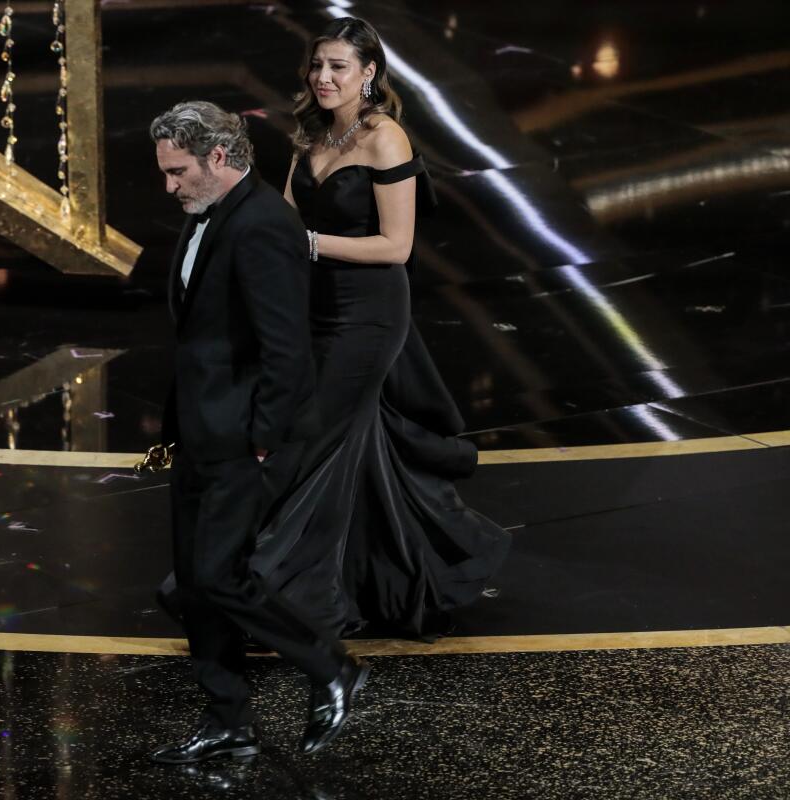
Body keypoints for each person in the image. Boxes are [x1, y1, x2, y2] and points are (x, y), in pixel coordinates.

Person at [253, 16, 512, 640]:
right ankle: (387, 579)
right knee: (350, 448)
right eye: (317, 66)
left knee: (312, 440)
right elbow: (286, 219)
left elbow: (397, 246)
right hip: (315, 308)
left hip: (368, 313)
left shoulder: (385, 140)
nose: (323, 77)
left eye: (338, 67)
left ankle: (277, 590)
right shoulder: (309, 136)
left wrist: (308, 243)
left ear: (369, 74)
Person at [148, 101, 367, 764]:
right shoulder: (205, 214)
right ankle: (228, 720)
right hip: (200, 428)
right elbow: (200, 333)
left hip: (243, 436)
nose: (169, 185)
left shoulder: (266, 223)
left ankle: (330, 666)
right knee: (194, 582)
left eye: (178, 170)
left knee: (219, 575)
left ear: (218, 157)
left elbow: (287, 348)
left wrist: (263, 437)